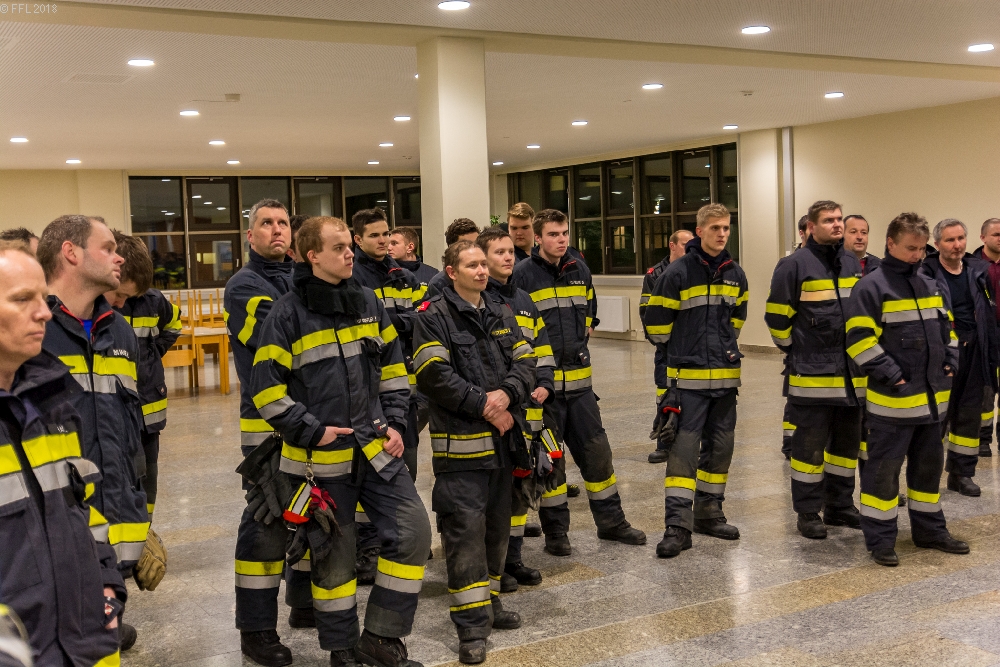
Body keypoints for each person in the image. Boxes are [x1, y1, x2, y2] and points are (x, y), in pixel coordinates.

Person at [251, 216, 430, 667]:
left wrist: (396, 423)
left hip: (377, 448)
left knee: (413, 532)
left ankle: (381, 636)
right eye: (339, 248)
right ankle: (342, 648)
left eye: (350, 246)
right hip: (322, 459)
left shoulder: (367, 301)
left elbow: (394, 372)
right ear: (312, 256)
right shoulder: (286, 314)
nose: (350, 253)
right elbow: (266, 391)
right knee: (334, 557)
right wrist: (313, 430)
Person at [0, 240, 125, 667]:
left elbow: (80, 508)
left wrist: (106, 583)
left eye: (43, 297)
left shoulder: (51, 401)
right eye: (23, 300)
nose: (45, 313)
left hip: (84, 645)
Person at [413, 240, 534, 664]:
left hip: (503, 447)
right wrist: (485, 405)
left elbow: (526, 361)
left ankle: (491, 602)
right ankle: (470, 627)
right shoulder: (432, 317)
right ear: (451, 272)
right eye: (472, 265)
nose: (482, 271)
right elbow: (433, 376)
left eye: (484, 264)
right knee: (465, 535)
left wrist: (507, 394)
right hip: (461, 452)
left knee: (498, 530)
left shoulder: (501, 310)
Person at [36, 215, 149, 649]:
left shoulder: (119, 329)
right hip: (53, 514)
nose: (119, 257)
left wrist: (135, 503)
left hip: (113, 506)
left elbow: (127, 426)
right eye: (107, 248)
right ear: (71, 252)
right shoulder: (33, 328)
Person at [511, 208, 645, 557]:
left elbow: (590, 309)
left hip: (582, 388)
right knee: (552, 463)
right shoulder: (522, 275)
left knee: (598, 455)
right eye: (553, 234)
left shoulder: (578, 268)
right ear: (538, 238)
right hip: (544, 391)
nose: (561, 240)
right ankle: (557, 534)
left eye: (565, 233)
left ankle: (612, 523)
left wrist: (586, 330)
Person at [845, 212, 969, 567]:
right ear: (891, 243)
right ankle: (881, 540)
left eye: (921, 249)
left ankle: (930, 531)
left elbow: (949, 331)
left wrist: (951, 361)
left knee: (928, 473)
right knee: (883, 475)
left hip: (933, 404)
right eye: (911, 248)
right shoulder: (871, 286)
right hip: (893, 405)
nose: (917, 255)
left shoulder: (931, 283)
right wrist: (893, 376)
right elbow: (859, 341)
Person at [644, 204, 748, 557]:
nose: (722, 234)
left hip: (725, 382)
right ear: (700, 231)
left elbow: (736, 321)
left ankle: (709, 513)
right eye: (715, 228)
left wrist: (719, 349)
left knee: (720, 450)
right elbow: (656, 327)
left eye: (726, 228)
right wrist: (684, 348)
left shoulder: (736, 274)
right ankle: (677, 526)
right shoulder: (677, 273)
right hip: (687, 383)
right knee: (683, 456)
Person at [224, 199, 300, 667]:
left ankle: (305, 604)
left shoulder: (298, 277)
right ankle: (255, 629)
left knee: (313, 510)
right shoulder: (243, 285)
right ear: (250, 236)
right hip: (267, 426)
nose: (276, 230)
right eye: (266, 224)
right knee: (266, 522)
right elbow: (280, 332)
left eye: (283, 223)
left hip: (311, 420)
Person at [765, 200, 865, 539]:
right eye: (828, 220)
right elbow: (777, 319)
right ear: (810, 226)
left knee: (845, 449)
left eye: (839, 219)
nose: (837, 225)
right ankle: (808, 512)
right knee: (808, 449)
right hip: (812, 378)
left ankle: (840, 506)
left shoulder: (850, 261)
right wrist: (797, 350)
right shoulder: (793, 265)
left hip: (851, 377)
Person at [476, 226, 554, 592]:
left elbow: (541, 347)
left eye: (510, 251)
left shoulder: (523, 298)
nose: (509, 257)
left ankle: (514, 559)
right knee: (496, 495)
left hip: (529, 410)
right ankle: (493, 564)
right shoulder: (479, 299)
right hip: (498, 412)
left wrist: (545, 382)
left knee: (522, 487)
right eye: (499, 252)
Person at [351, 208, 423, 584]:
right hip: (365, 389)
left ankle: (400, 535)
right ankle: (368, 546)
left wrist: (387, 325)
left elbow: (421, 318)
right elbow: (359, 330)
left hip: (402, 384)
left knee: (405, 461)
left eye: (385, 234)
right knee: (369, 469)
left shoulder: (403, 276)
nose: (382, 241)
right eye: (374, 235)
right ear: (357, 239)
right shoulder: (352, 275)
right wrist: (396, 325)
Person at [105, 232, 182, 518]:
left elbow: (174, 323)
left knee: (148, 479)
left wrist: (154, 351)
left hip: (149, 413)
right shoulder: (104, 305)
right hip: (116, 416)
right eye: (123, 294)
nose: (124, 301)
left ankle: (145, 527)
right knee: (121, 477)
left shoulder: (154, 300)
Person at [922, 219, 998, 497]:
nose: (957, 245)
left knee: (969, 414)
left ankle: (961, 474)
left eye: (961, 239)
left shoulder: (978, 271)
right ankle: (926, 477)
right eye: (950, 240)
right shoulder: (926, 274)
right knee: (937, 418)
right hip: (943, 352)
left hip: (975, 349)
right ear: (937, 244)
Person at [640, 229, 694, 465]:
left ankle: (689, 445)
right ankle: (663, 445)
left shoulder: (697, 271)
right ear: (672, 246)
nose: (690, 248)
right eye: (685, 244)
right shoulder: (655, 275)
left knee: (693, 398)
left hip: (692, 348)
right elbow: (647, 314)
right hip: (666, 349)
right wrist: (664, 344)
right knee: (664, 394)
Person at [972, 217, 1000, 456]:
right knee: (985, 389)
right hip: (984, 334)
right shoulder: (972, 266)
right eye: (996, 234)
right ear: (983, 238)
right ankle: (982, 438)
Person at [425, 219, 481, 298]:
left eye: (477, 244)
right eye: (466, 245)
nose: (474, 249)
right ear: (452, 249)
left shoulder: (487, 275)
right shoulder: (439, 284)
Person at [388, 226, 438, 302]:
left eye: (394, 243)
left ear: (410, 247)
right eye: (388, 243)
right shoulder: (385, 273)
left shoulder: (432, 274)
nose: (389, 248)